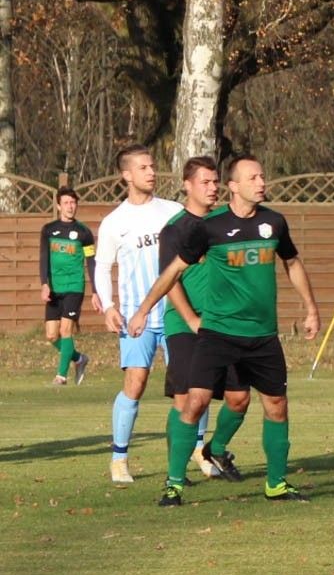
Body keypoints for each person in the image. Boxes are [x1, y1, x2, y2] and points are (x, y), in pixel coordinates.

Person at [127, 154, 320, 505]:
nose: (262, 183)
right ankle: (174, 484)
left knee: (275, 404)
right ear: (234, 186)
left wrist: (310, 308)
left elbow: (291, 262)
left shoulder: (274, 223)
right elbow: (172, 273)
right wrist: (143, 310)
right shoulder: (209, 227)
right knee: (196, 401)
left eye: (263, 176)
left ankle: (276, 484)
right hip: (217, 333)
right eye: (253, 178)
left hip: (262, 335)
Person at [157, 156, 252, 482]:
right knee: (186, 401)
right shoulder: (174, 230)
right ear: (188, 185)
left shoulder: (226, 224)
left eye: (216, 182)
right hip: (185, 325)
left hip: (225, 326)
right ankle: (176, 476)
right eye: (206, 182)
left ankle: (216, 448)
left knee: (240, 398)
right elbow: (169, 281)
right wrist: (192, 319)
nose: (213, 188)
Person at [94, 145, 183, 485]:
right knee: (136, 382)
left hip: (176, 314)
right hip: (137, 318)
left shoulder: (173, 212)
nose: (152, 172)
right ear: (127, 174)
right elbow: (102, 268)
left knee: (189, 387)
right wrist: (109, 306)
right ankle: (119, 458)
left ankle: (196, 452)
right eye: (144, 167)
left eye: (153, 166)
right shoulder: (115, 222)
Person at [39, 186, 97, 385]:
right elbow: (44, 258)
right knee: (51, 335)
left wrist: (96, 291)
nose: (70, 206)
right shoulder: (48, 230)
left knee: (66, 330)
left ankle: (61, 376)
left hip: (74, 287)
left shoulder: (84, 232)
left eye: (73, 202)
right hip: (54, 289)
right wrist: (44, 284)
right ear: (58, 205)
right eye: (66, 203)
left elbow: (91, 261)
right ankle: (79, 359)